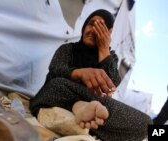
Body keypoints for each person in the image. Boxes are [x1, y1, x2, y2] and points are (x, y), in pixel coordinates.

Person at [29, 9, 152, 141]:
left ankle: (85, 110)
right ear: (84, 27)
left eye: (100, 27)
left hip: (94, 102)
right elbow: (55, 69)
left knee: (146, 123)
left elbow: (111, 85)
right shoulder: (69, 48)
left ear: (108, 33)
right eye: (91, 24)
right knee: (57, 84)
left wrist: (104, 49)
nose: (94, 30)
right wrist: (80, 73)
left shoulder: (111, 57)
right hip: (60, 94)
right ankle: (82, 109)